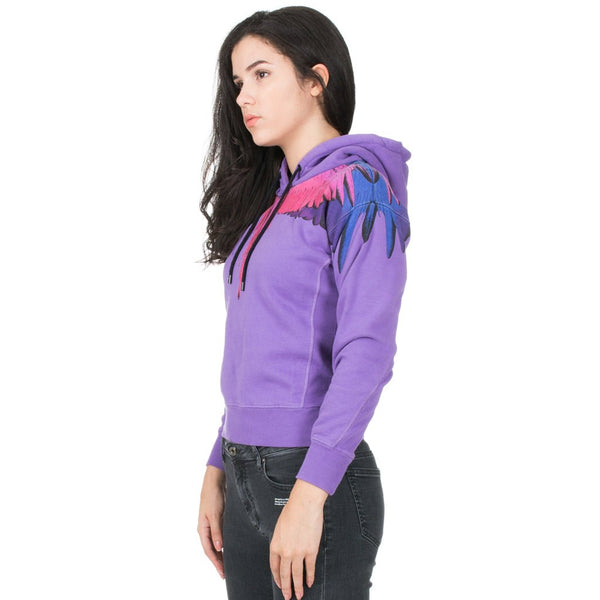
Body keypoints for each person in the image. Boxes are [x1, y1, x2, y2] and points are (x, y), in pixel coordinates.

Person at [197, 6, 411, 599]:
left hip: (312, 478)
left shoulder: (359, 186)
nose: (244, 96)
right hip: (242, 468)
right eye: (238, 81)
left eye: (262, 74)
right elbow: (259, 347)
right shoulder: (271, 202)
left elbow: (367, 349)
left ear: (317, 80)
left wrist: (310, 493)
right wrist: (218, 463)